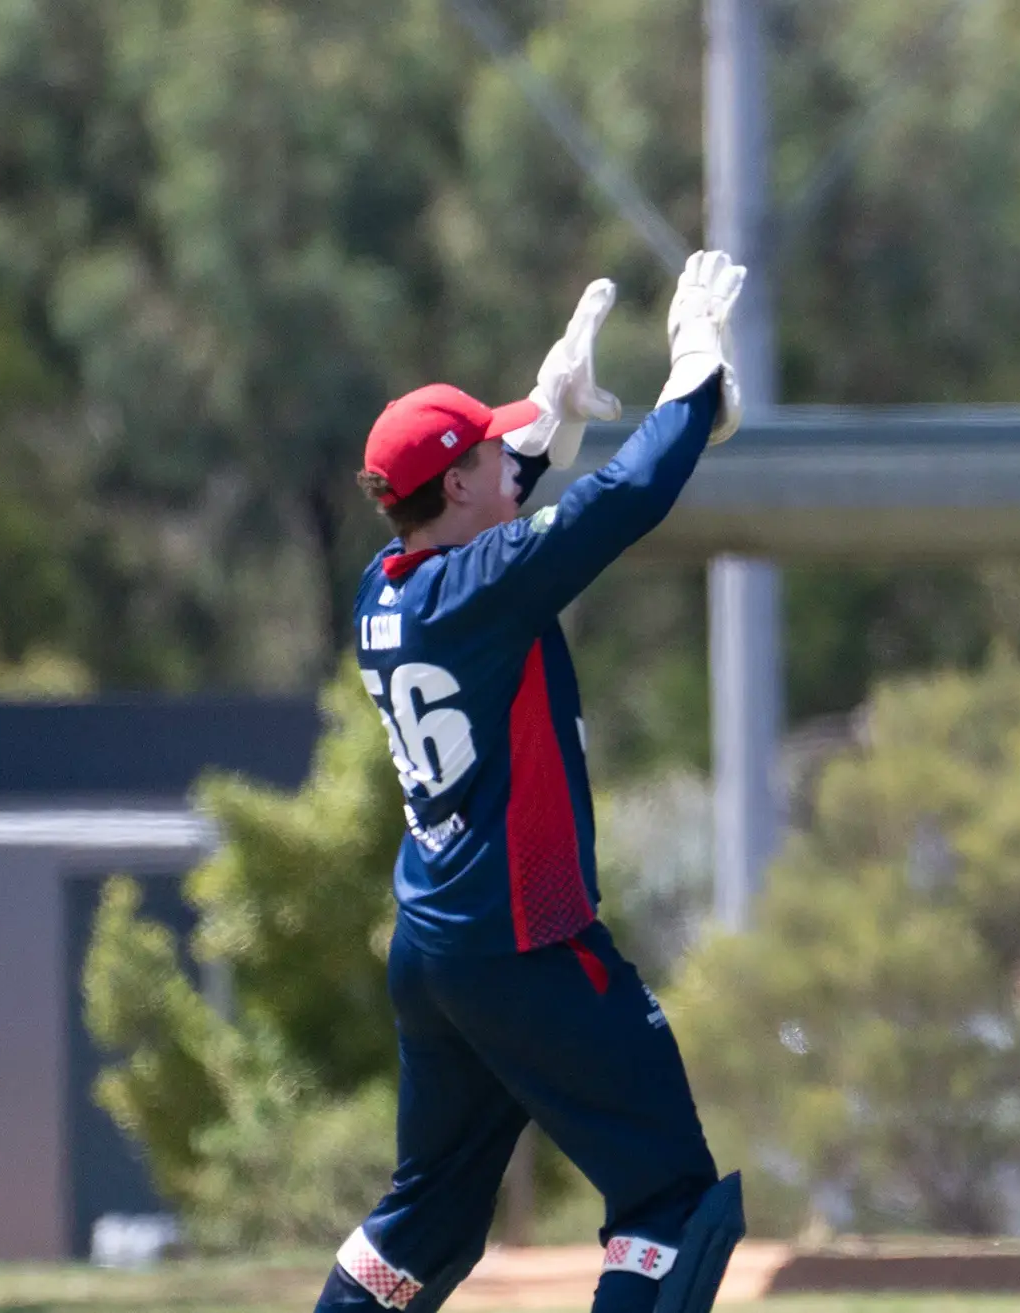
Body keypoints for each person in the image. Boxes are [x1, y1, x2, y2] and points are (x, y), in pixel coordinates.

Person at [316, 252, 752, 1313]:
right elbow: (627, 495)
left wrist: (549, 406)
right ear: (456, 485)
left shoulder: (388, 582)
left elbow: (500, 492)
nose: (511, 458)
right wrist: (694, 370)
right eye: (488, 452)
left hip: (434, 944)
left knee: (424, 1217)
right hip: (524, 939)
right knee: (673, 1198)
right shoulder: (484, 585)